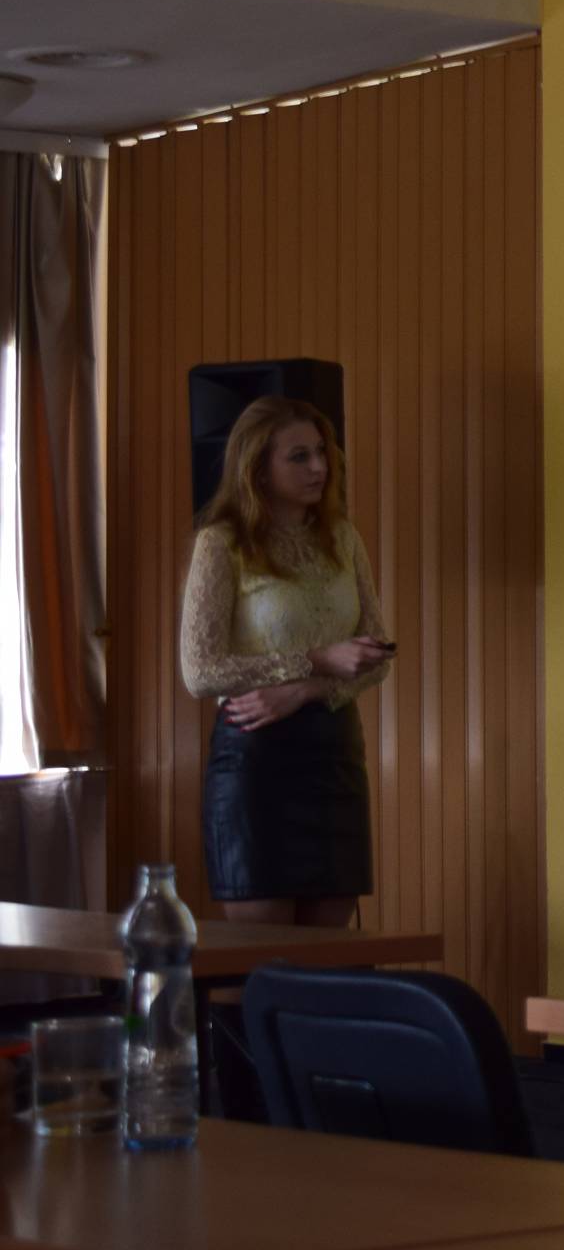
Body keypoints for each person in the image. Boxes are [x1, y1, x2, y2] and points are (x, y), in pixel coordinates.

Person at [177, 396, 394, 926]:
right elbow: (201, 671)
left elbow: (377, 656)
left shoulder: (343, 538)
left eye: (322, 452)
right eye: (299, 456)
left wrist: (306, 688)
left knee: (330, 957)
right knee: (262, 951)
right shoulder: (221, 543)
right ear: (258, 468)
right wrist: (315, 658)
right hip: (256, 762)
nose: (319, 466)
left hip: (334, 753)